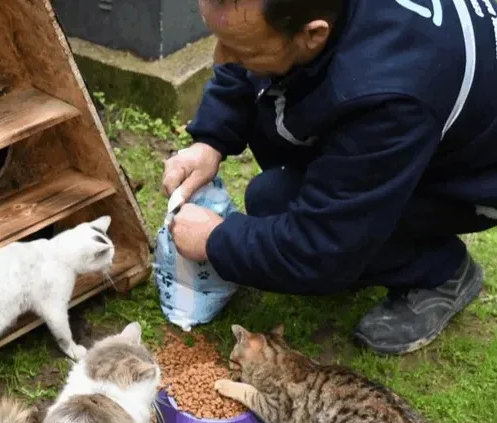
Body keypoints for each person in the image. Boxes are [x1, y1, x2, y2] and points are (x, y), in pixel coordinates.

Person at [163, 0, 497, 355]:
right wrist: (210, 141)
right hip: (433, 111)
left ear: (313, 34)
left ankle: (441, 271)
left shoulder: (389, 94)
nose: (218, 57)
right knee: (278, 195)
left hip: (477, 178)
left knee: (277, 203)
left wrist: (216, 240)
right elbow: (241, 59)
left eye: (241, 49)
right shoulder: (305, 22)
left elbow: (322, 246)